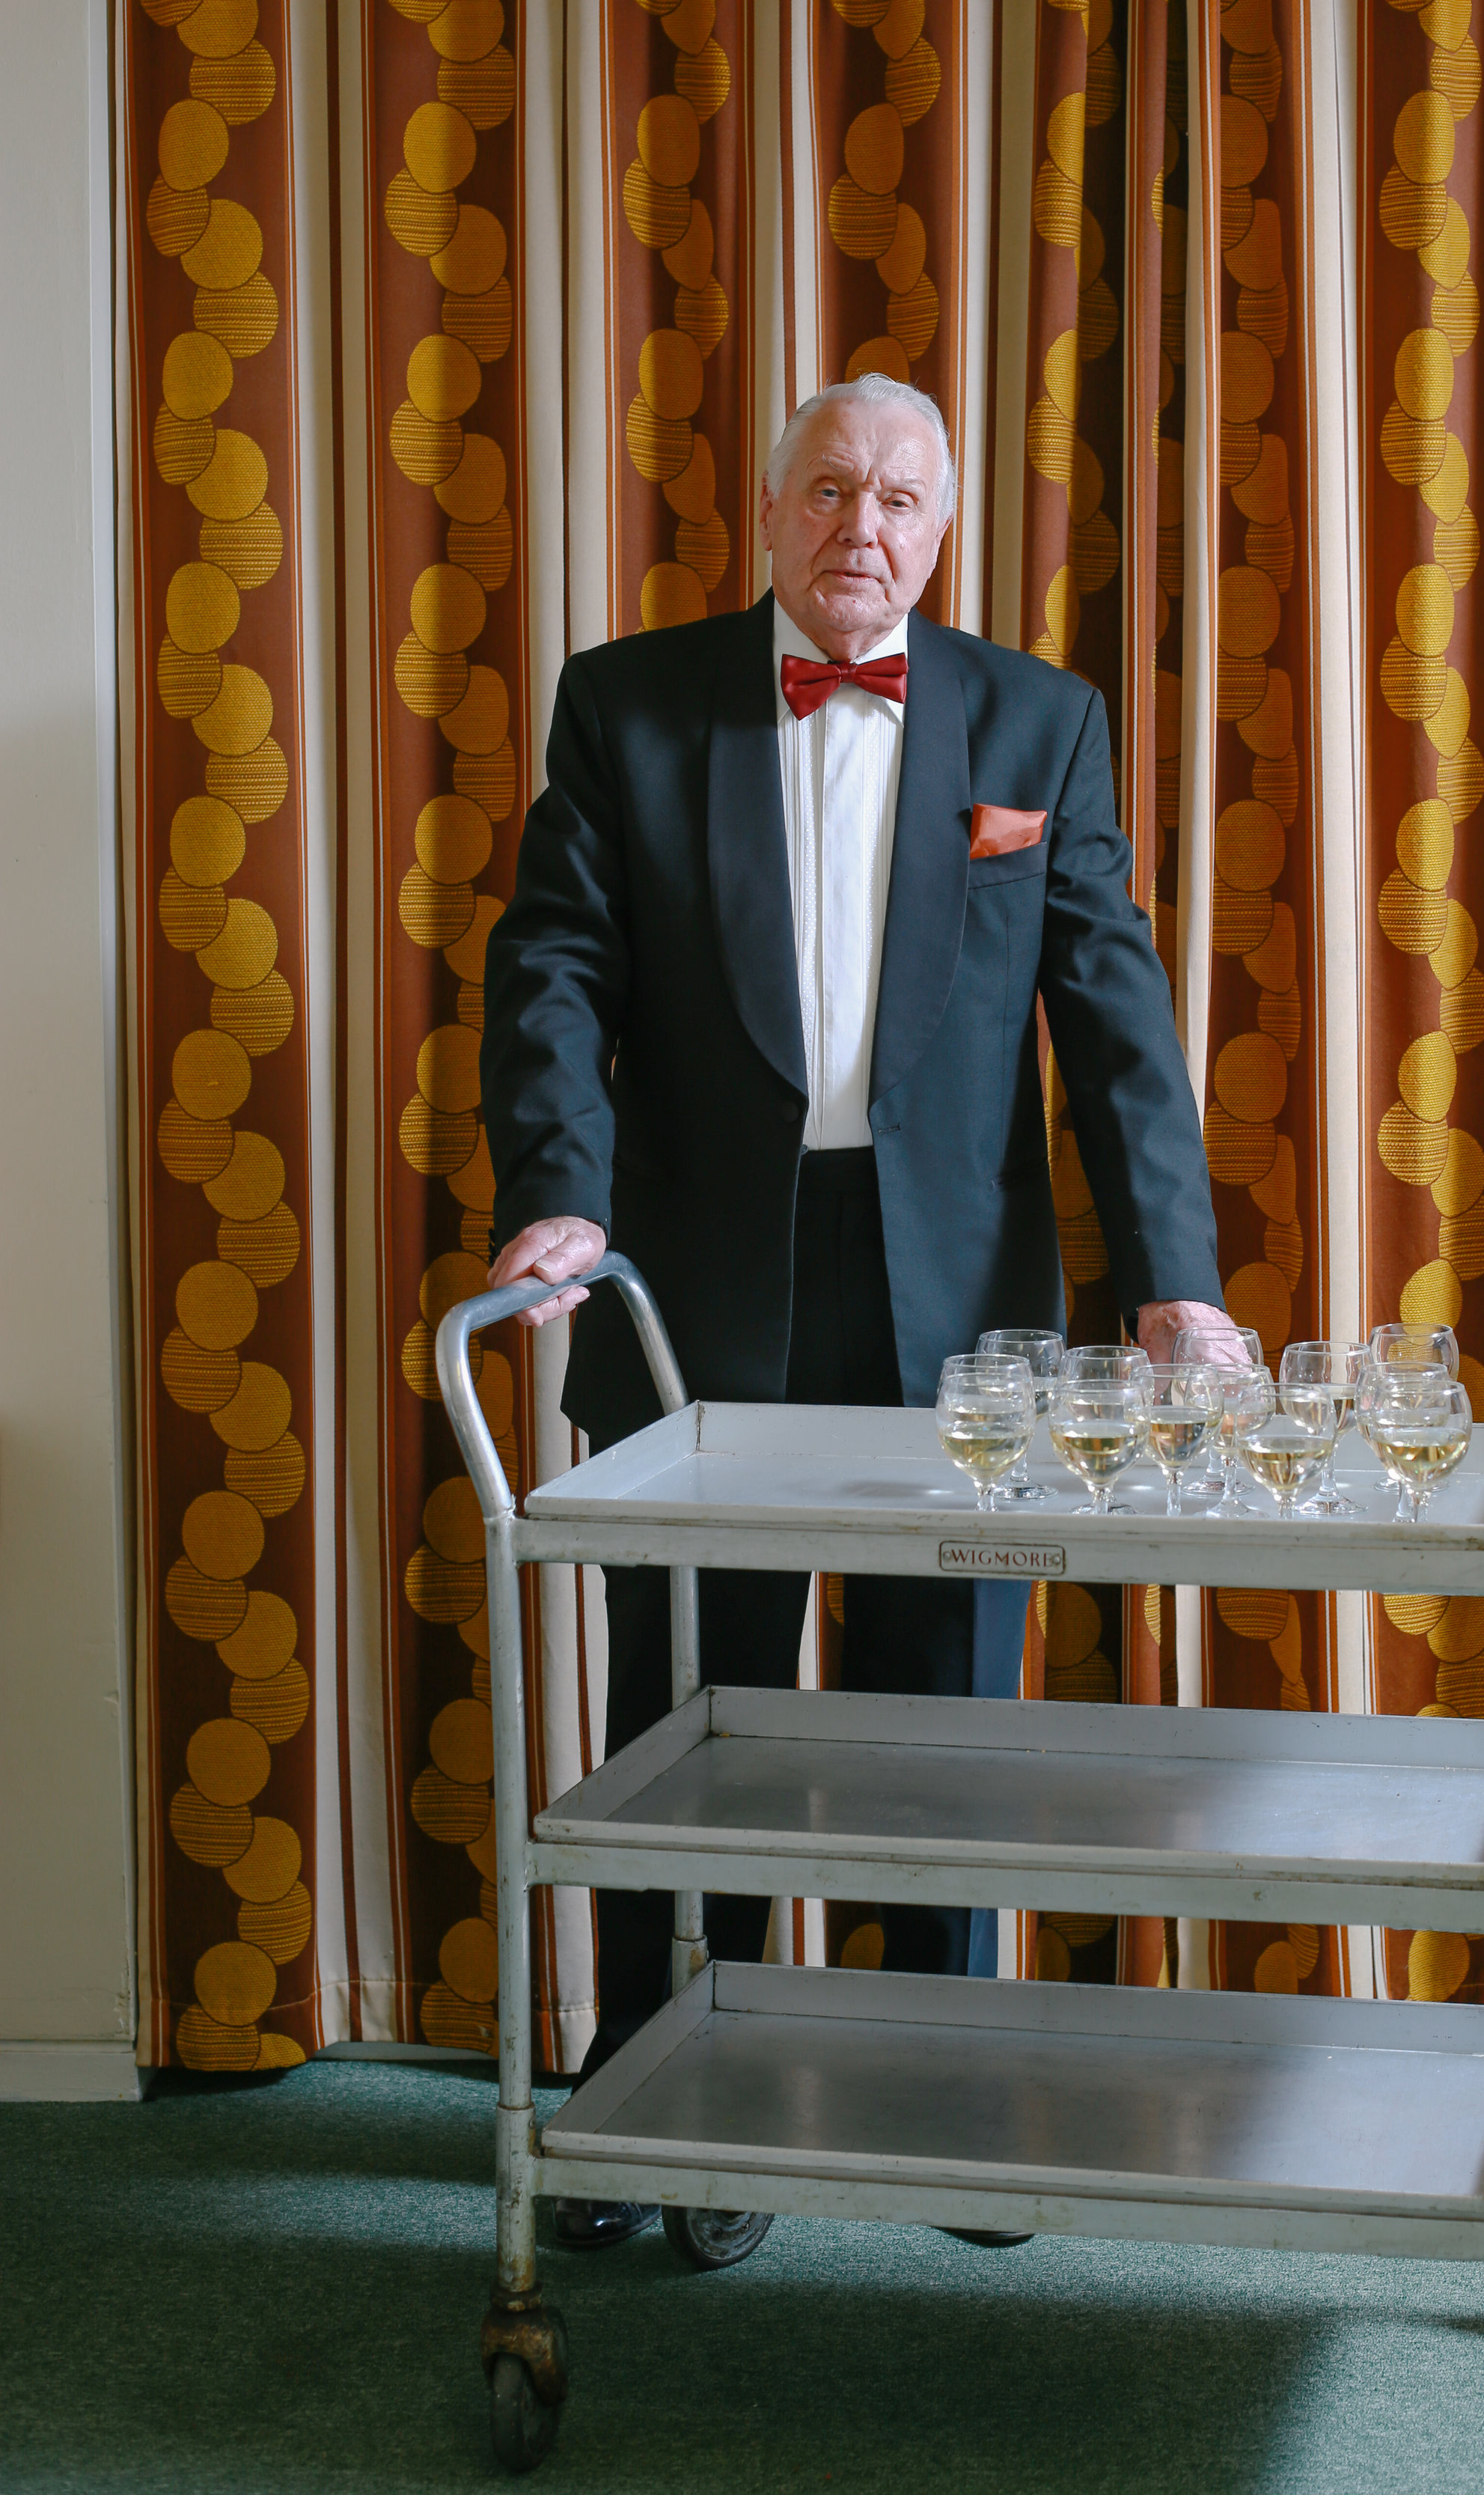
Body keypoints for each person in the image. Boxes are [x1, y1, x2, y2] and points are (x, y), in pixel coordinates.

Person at [481, 372, 1231, 2246]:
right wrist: (559, 1193)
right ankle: (664, 2096)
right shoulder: (627, 703)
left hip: (951, 1312)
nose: (862, 528)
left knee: (942, 1733)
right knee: (687, 1723)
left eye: (900, 499)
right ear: (766, 507)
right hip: (691, 1291)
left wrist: (1173, 1285)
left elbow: (1113, 1018)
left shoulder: (1037, 721)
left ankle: (948, 2088)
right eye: (829, 490)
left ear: (941, 529)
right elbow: (554, 966)